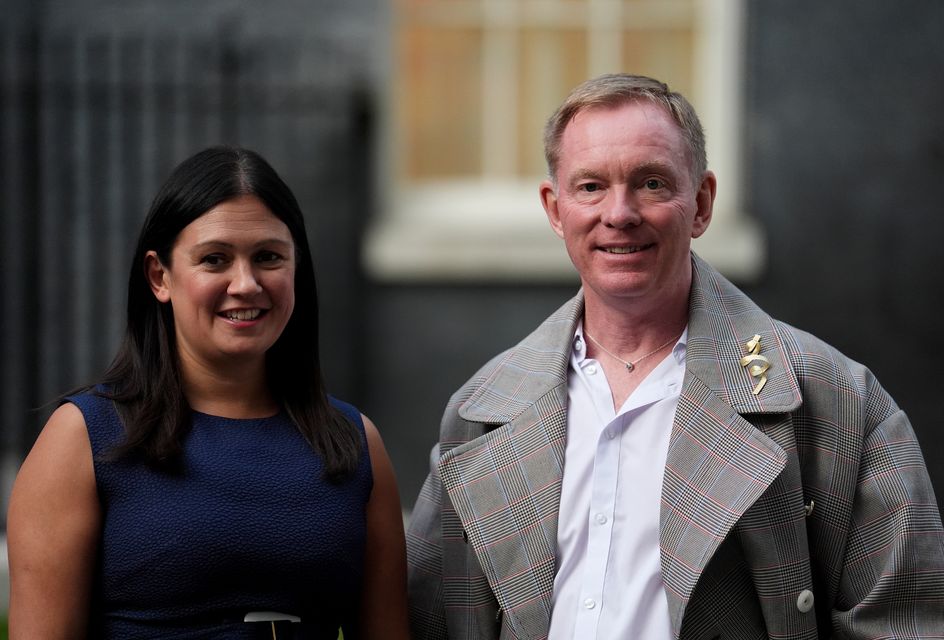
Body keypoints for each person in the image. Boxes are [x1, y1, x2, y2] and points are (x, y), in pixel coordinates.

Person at [405, 74, 944, 639]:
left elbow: (903, 625)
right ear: (555, 208)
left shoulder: (838, 403)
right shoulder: (480, 412)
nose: (620, 213)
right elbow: (426, 621)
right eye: (590, 186)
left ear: (702, 203)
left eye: (652, 183)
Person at [7, 146, 410, 639]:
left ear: (296, 269)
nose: (245, 284)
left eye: (268, 257)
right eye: (215, 259)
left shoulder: (354, 444)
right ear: (160, 277)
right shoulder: (83, 440)